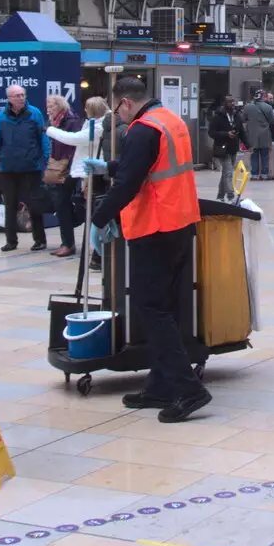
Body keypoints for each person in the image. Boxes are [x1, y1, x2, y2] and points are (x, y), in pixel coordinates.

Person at [91, 74, 211, 421]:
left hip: (154, 227)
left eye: (117, 109)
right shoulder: (170, 121)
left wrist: (99, 220)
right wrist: (111, 165)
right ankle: (160, 385)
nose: (119, 116)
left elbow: (128, 184)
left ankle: (188, 390)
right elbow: (147, 167)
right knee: (167, 308)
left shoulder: (142, 130)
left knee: (152, 310)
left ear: (125, 102)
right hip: (180, 223)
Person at [0, 84, 50, 253]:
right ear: (9, 99)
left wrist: (47, 162)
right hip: (8, 168)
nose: (21, 97)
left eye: (23, 94)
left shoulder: (34, 113)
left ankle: (39, 240)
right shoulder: (1, 116)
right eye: (16, 95)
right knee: (10, 205)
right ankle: (11, 240)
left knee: (34, 205)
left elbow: (43, 139)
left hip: (31, 167)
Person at [47, 96, 108, 264]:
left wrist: (49, 130)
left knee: (91, 211)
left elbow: (74, 139)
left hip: (90, 172)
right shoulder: (90, 123)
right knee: (71, 206)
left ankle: (97, 252)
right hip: (81, 172)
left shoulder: (97, 126)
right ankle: (85, 247)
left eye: (52, 105)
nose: (48, 108)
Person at [44, 95, 84, 258]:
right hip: (57, 166)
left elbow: (73, 145)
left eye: (52, 106)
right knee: (61, 205)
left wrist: (67, 166)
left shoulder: (71, 121)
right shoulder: (54, 121)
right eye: (47, 106)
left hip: (68, 169)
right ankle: (66, 242)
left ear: (61, 106)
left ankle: (68, 243)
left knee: (62, 204)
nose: (49, 109)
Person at [239, 90, 274, 180]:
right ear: (263, 97)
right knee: (265, 156)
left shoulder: (247, 107)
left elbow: (243, 119)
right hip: (265, 135)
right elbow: (273, 121)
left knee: (254, 155)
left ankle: (254, 175)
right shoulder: (268, 107)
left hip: (252, 135)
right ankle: (264, 175)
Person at [208, 95, 241, 199]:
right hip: (222, 149)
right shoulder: (218, 117)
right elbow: (211, 132)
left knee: (226, 173)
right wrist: (226, 134)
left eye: (233, 102)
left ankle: (220, 195)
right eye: (230, 102)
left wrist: (248, 144)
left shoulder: (236, 116)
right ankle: (231, 195)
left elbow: (242, 131)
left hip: (233, 148)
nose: (232, 104)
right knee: (229, 172)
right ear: (225, 104)